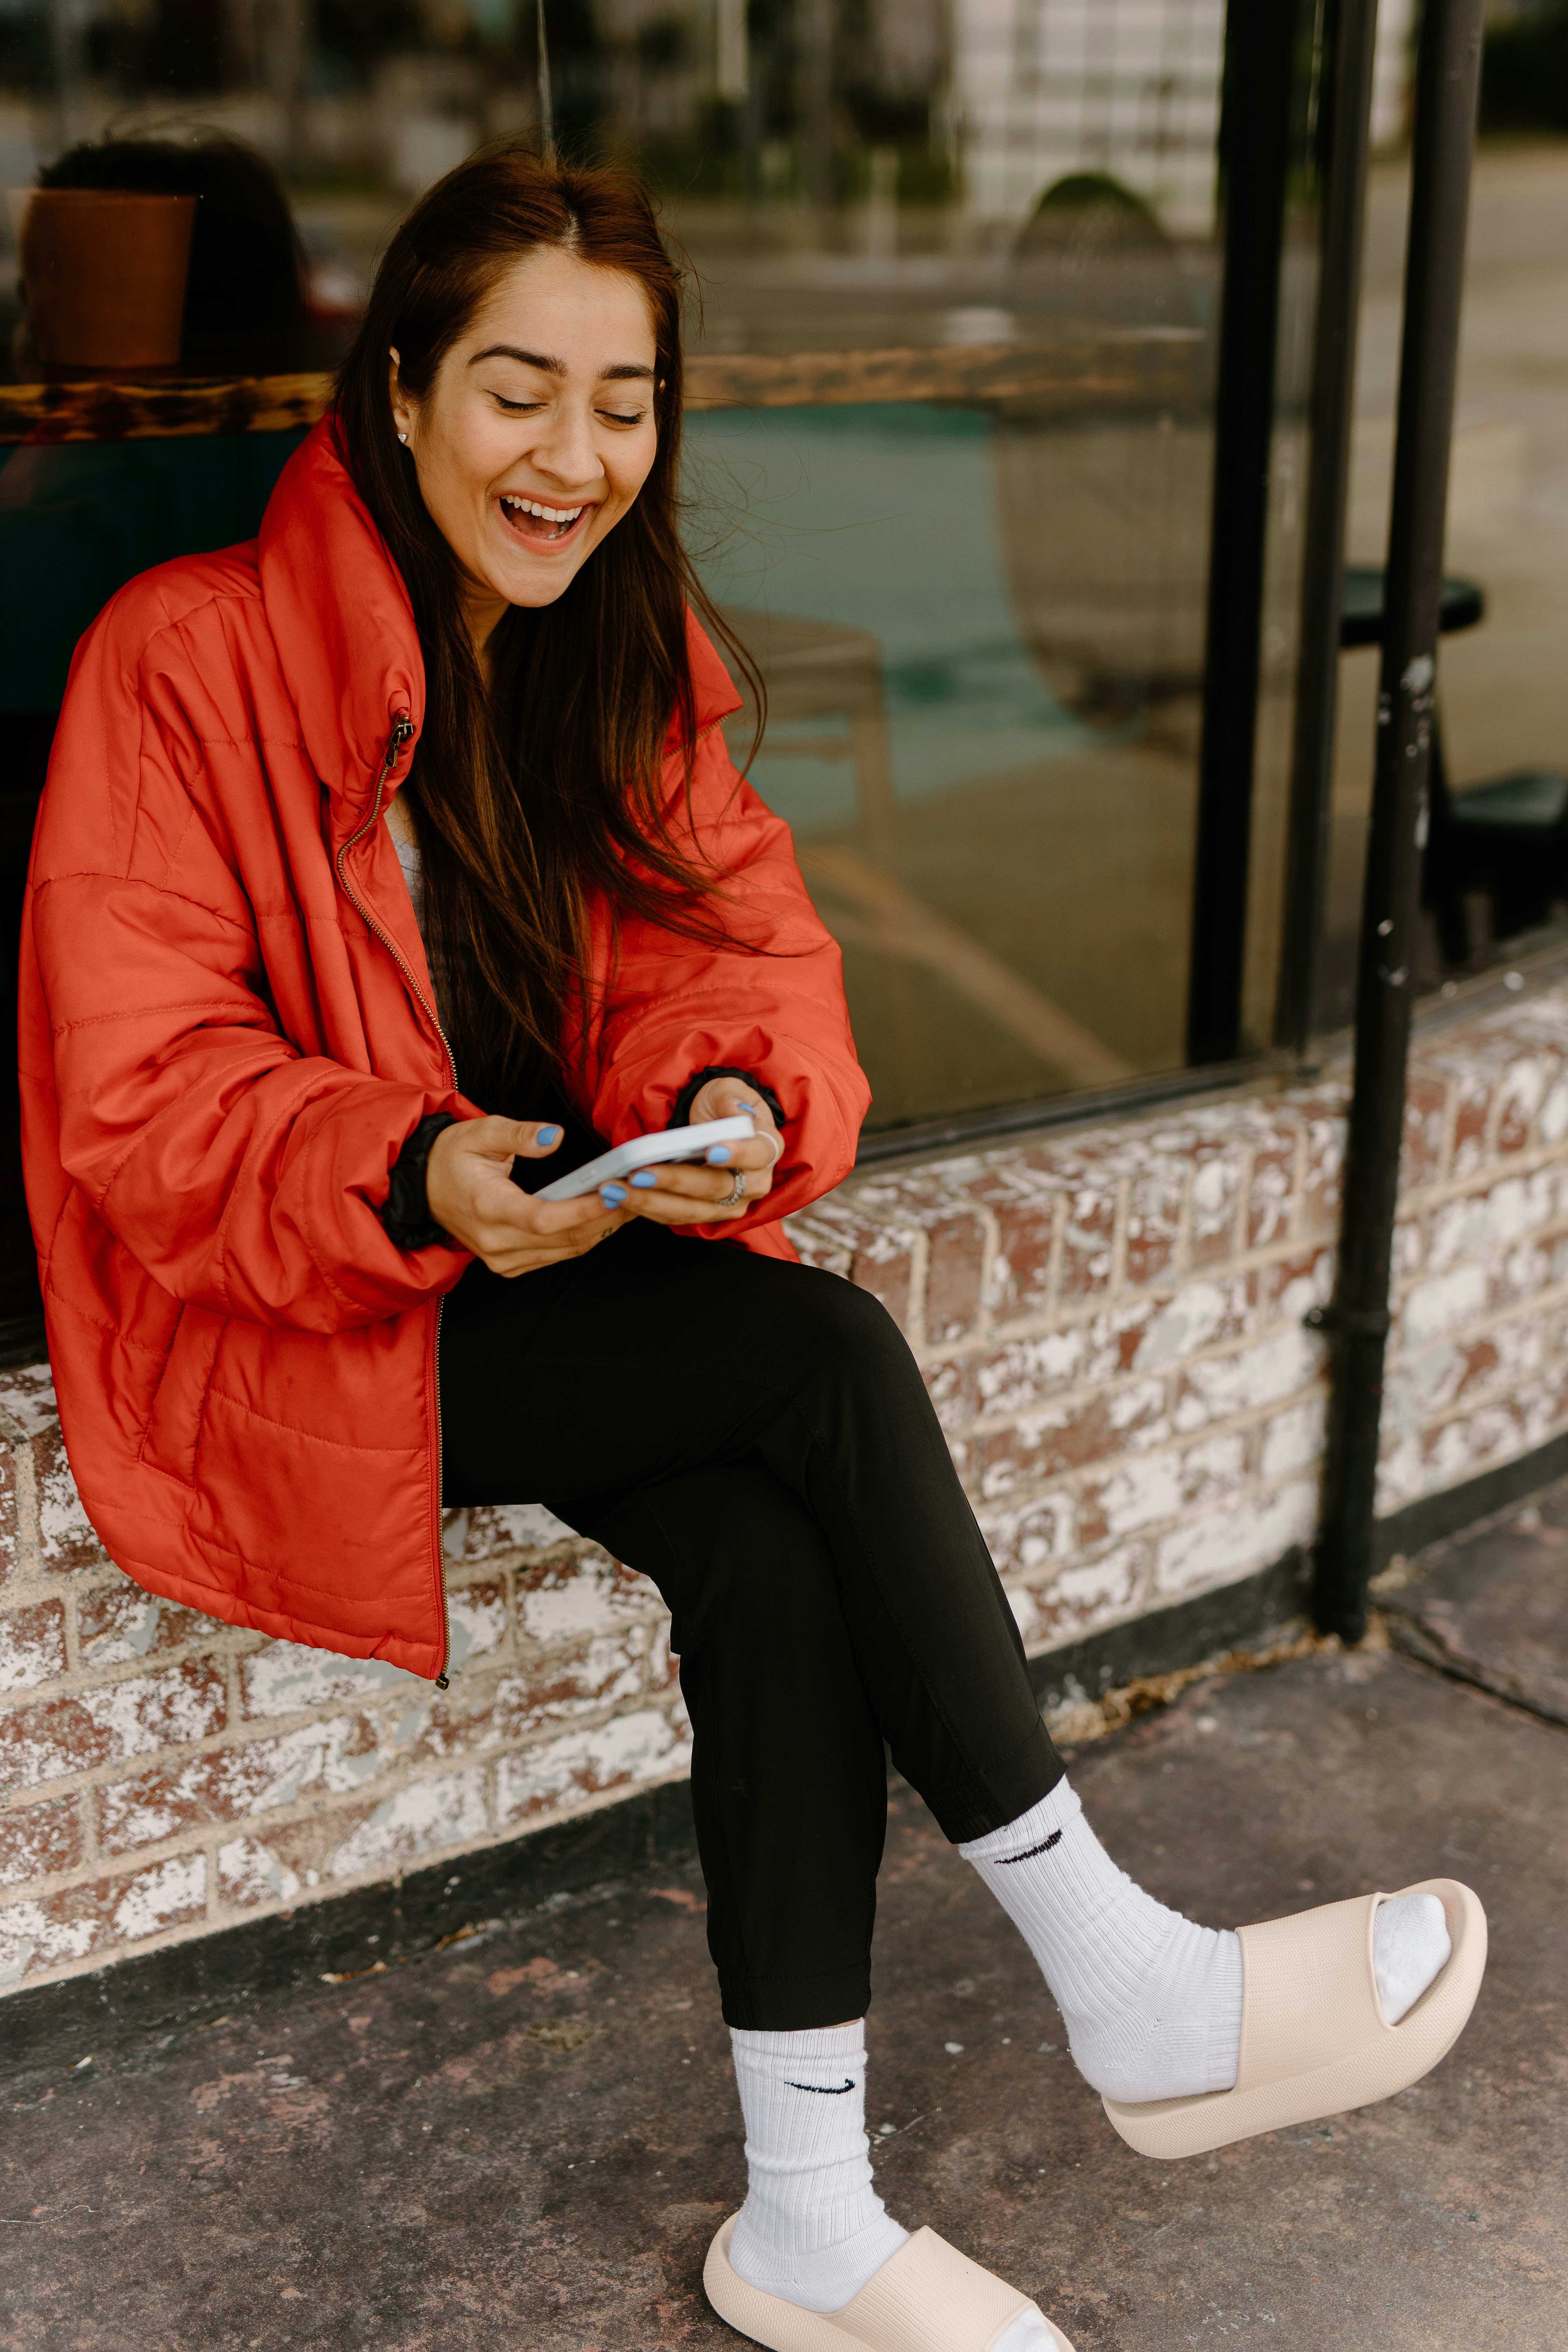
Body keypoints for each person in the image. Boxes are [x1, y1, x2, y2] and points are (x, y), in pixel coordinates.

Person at [18, 142, 1481, 2352]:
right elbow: (141, 1096)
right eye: (520, 389)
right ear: (397, 386)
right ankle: (1125, 1975)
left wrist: (725, 1112)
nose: (575, 455)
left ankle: (806, 2220)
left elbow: (745, 952)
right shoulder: (184, 656)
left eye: (628, 402)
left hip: (545, 1264)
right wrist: (410, 1167)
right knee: (815, 1364)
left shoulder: (620, 657)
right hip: (287, 1313)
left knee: (774, 1544)